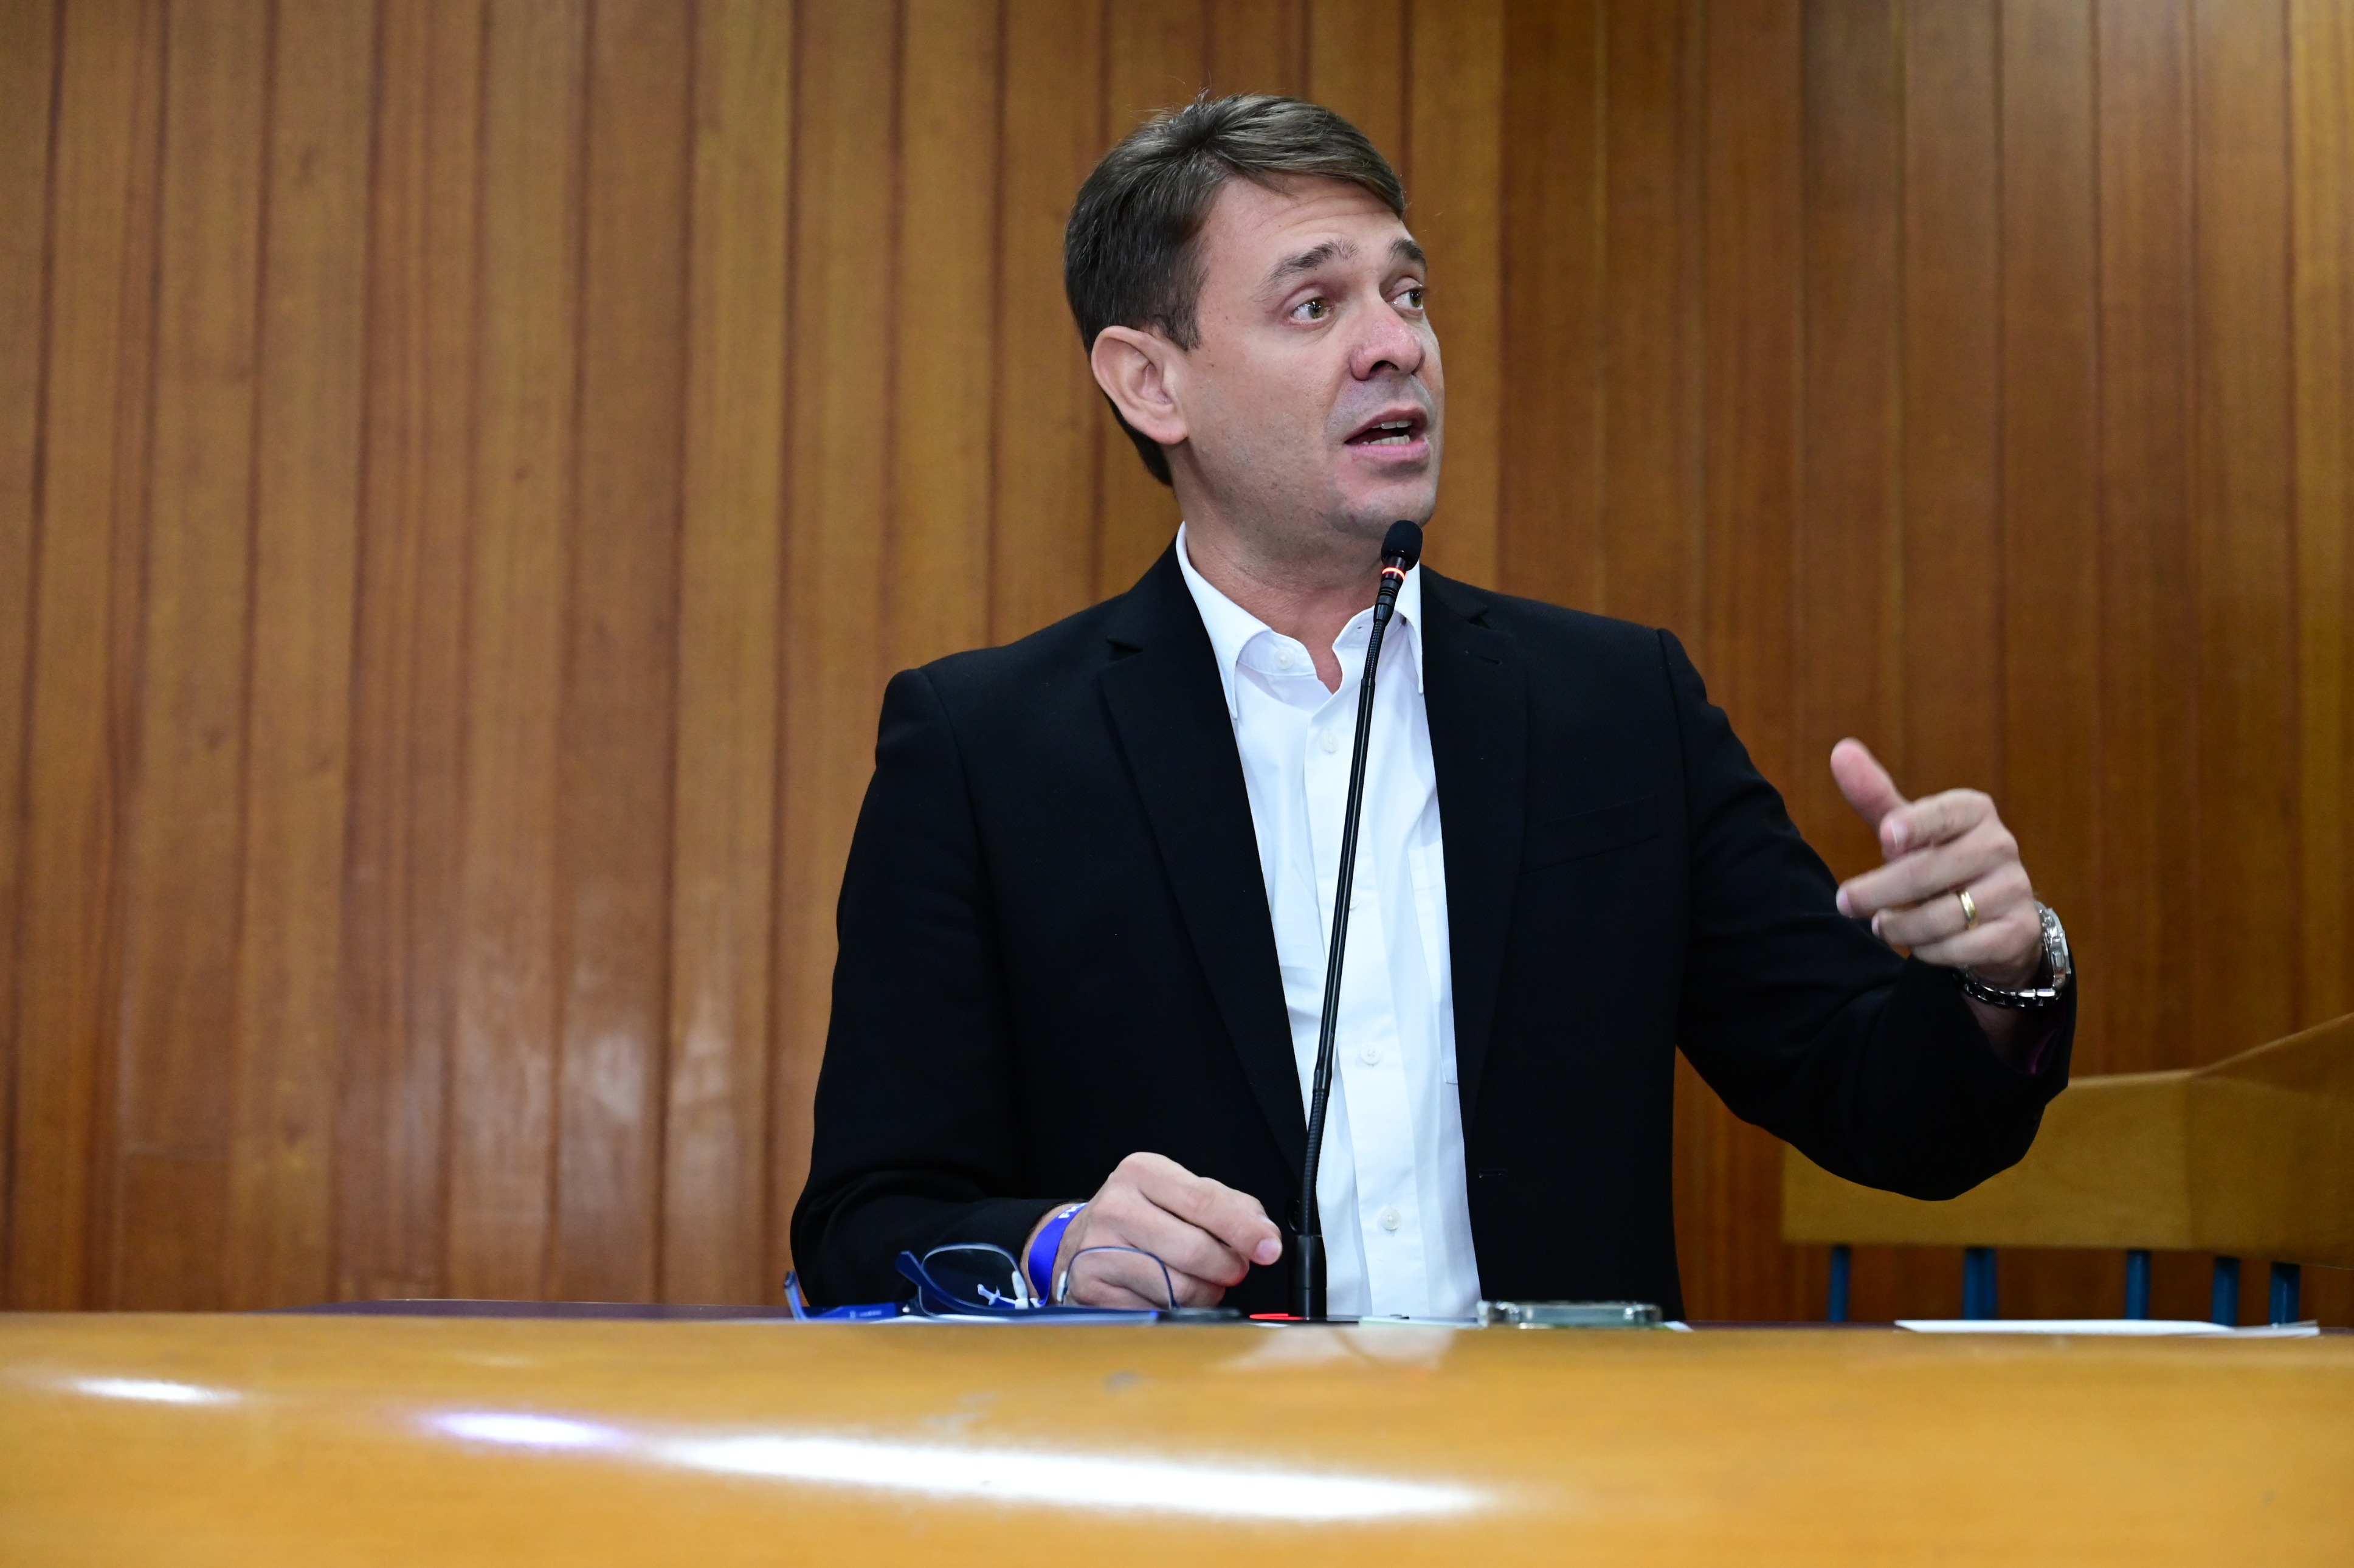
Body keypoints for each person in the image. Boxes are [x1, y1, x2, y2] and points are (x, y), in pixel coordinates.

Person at [790, 95, 2074, 1319]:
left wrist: (1999, 971)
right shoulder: (987, 752)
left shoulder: (1615, 710)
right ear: (1150, 383)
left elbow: (1894, 1114)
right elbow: (864, 1219)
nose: (1397, 344)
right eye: (1314, 305)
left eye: (1407, 294)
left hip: (1556, 1456)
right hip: (1189, 1456)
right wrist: (1057, 1248)